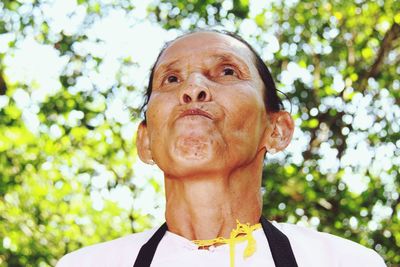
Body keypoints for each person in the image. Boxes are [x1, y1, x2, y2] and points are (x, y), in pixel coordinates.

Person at [56, 30, 385, 267]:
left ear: (277, 130)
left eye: (227, 72)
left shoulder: (344, 261)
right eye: (171, 79)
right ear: (146, 142)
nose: (193, 88)